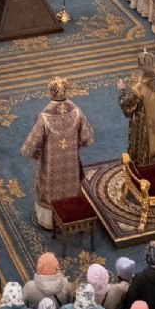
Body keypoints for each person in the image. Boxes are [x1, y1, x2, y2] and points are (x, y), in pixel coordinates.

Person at [20, 78, 95, 229]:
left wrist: (36, 154)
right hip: (70, 163)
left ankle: (49, 222)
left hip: (51, 164)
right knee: (70, 184)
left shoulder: (45, 116)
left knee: (49, 186)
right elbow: (87, 137)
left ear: (50, 93)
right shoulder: (76, 111)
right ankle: (70, 213)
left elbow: (30, 146)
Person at [117, 51, 155, 168]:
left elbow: (126, 105)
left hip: (144, 128)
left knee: (146, 141)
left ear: (139, 67)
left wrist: (121, 90)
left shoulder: (139, 88)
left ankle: (144, 165)